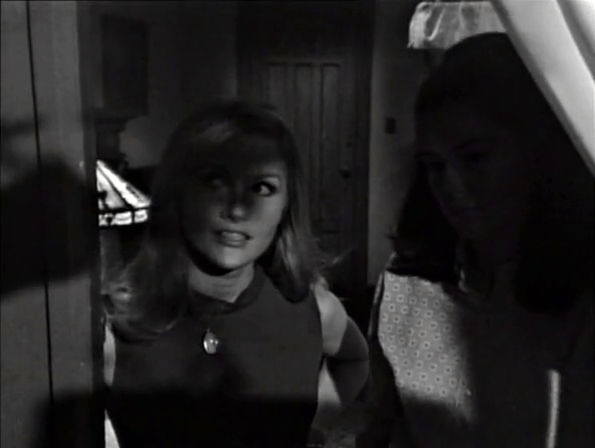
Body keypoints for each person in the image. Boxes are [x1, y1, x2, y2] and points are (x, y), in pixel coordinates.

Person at [357, 33, 594, 448]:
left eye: (475, 158)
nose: (451, 186)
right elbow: (382, 426)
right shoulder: (405, 285)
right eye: (434, 166)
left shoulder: (582, 296)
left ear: (538, 152)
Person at [102, 99, 370, 448]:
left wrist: (315, 426)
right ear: (177, 191)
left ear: (287, 205)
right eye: (215, 181)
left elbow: (354, 359)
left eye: (261, 188)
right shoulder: (118, 324)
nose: (237, 208)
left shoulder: (313, 310)